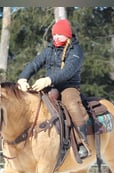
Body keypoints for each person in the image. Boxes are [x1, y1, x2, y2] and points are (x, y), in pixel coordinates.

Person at [17, 19, 89, 159]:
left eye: (60, 34)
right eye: (54, 34)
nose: (56, 37)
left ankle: (82, 143)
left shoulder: (75, 50)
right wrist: (23, 78)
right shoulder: (50, 49)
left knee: (72, 105)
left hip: (69, 86)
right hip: (50, 85)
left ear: (68, 35)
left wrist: (48, 79)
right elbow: (35, 63)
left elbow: (68, 70)